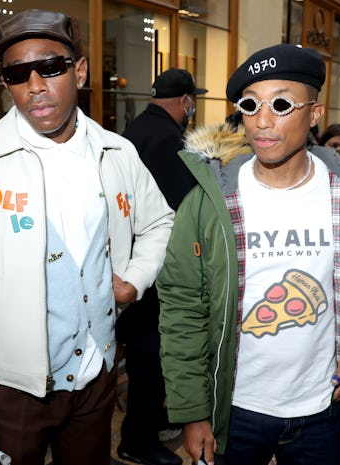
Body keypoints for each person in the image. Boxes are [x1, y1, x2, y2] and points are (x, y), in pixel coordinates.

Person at [157, 43, 340, 465]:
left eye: (281, 104)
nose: (262, 122)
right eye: (251, 105)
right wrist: (193, 412)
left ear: (315, 114)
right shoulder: (209, 202)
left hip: (325, 405)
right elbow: (182, 307)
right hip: (234, 406)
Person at [0, 9, 174, 465]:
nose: (35, 86)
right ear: (7, 86)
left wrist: (135, 279)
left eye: (52, 67)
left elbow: (160, 222)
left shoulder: (118, 153)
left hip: (97, 376)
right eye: (18, 74)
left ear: (79, 71)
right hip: (10, 388)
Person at [115, 68, 207, 465]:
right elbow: (182, 210)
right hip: (155, 270)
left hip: (128, 262)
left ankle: (150, 422)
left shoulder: (132, 131)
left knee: (143, 355)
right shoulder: (172, 141)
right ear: (186, 100)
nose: (194, 108)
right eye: (193, 101)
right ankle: (137, 441)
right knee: (151, 357)